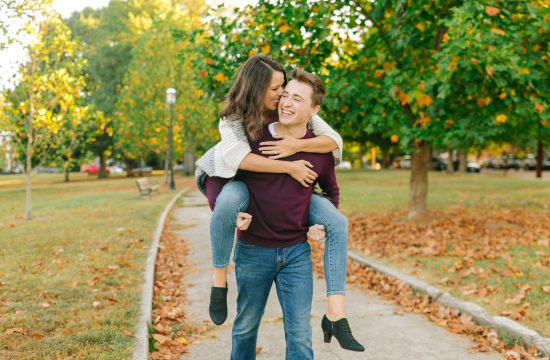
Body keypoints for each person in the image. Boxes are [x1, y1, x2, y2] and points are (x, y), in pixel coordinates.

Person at [195, 55, 363, 352]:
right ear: (259, 90)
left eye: (289, 91)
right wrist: (288, 167)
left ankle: (336, 313)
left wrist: (298, 147)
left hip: (295, 252)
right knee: (245, 327)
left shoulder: (310, 130)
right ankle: (218, 281)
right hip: (252, 249)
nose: (284, 97)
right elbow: (218, 175)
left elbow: (333, 152)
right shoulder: (245, 129)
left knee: (300, 335)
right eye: (279, 90)